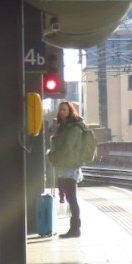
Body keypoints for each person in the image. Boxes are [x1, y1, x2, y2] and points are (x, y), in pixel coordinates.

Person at [46, 100, 87, 238]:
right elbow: (57, 143)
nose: (62, 112)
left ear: (70, 111)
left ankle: (75, 229)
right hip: (65, 165)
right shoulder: (63, 127)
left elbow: (67, 147)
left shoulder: (74, 128)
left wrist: (51, 156)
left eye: (64, 109)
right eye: (60, 109)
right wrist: (54, 130)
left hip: (71, 166)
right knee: (70, 198)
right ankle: (75, 229)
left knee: (71, 197)